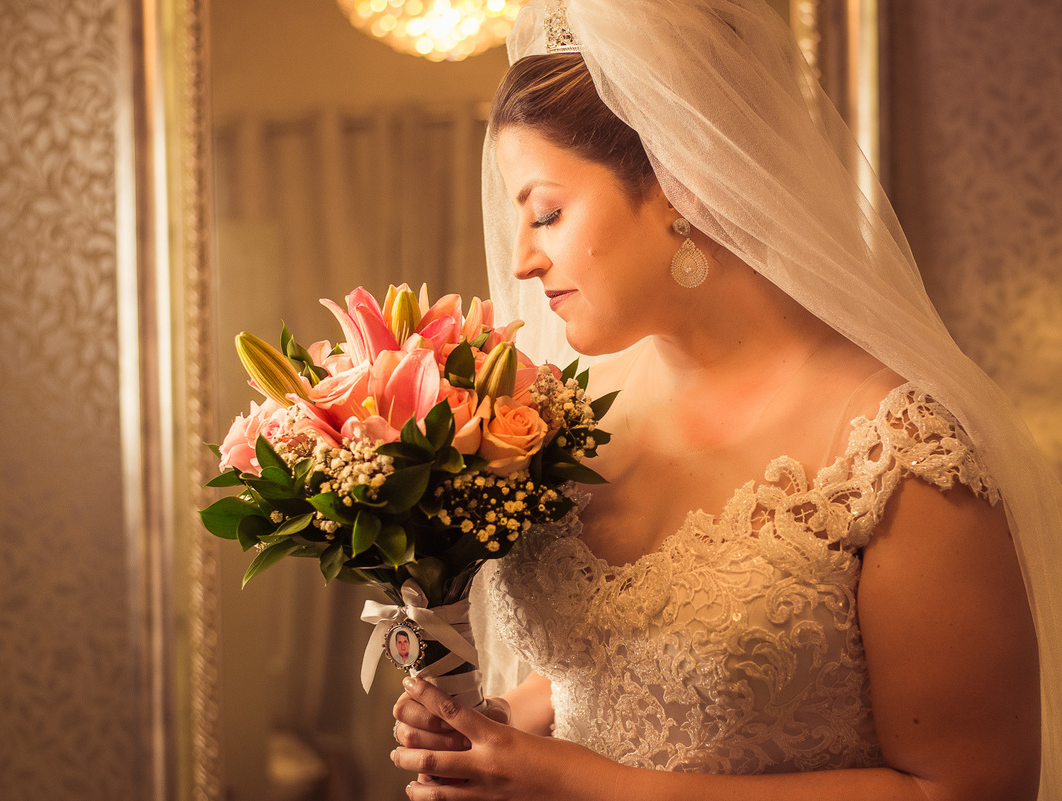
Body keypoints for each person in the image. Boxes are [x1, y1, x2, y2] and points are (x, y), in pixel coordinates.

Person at [389, 1, 1061, 799]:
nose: (525, 260)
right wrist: (496, 732)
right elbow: (608, 668)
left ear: (683, 182)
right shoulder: (571, 415)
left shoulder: (899, 450)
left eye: (548, 212)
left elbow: (969, 788)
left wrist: (586, 783)